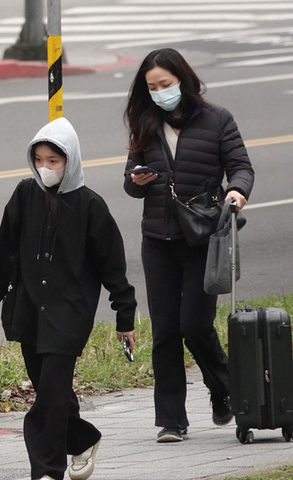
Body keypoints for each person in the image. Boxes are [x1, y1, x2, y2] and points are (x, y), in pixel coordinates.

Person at [0, 117, 137, 480]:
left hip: (69, 316)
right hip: (28, 313)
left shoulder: (92, 206)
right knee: (51, 392)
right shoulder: (24, 196)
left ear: (70, 161)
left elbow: (113, 267)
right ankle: (83, 438)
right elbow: (2, 257)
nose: (45, 168)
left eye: (54, 161)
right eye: (39, 159)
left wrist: (125, 317)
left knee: (47, 400)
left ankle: (46, 471)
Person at [122, 48, 254, 443]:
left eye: (165, 84)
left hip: (202, 238)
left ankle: (224, 388)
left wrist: (237, 191)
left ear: (183, 79)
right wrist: (137, 180)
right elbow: (129, 184)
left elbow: (241, 166)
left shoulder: (217, 120)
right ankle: (172, 421)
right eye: (152, 87)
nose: (160, 92)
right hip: (157, 239)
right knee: (165, 332)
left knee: (195, 326)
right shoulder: (144, 123)